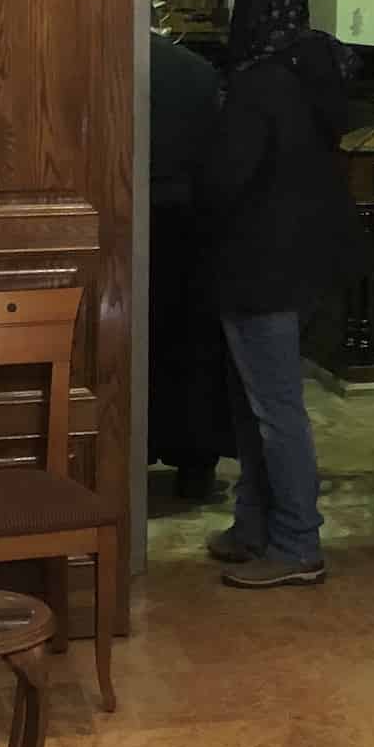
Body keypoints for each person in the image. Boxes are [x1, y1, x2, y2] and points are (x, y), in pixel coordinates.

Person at [202, 0, 360, 588]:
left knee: (274, 410)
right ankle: (252, 526)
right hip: (306, 263)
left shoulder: (259, 82)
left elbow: (225, 180)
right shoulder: (320, 71)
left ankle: (295, 543)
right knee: (256, 402)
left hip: (257, 265)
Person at [147, 31, 233, 499]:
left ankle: (126, 453)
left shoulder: (101, 59)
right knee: (190, 349)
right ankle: (195, 466)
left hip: (123, 224)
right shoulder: (196, 71)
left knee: (134, 347)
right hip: (189, 226)